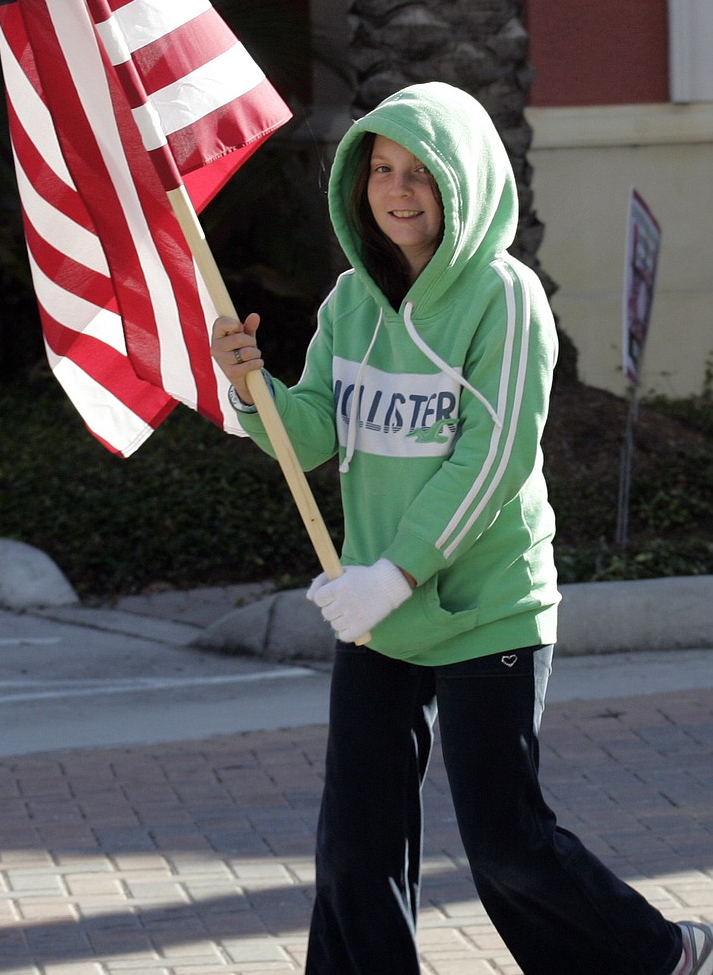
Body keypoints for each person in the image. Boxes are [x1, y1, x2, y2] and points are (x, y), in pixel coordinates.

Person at [211, 81, 712, 975]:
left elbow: (493, 458)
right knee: (357, 847)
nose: (398, 191)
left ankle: (658, 955)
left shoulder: (505, 297)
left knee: (506, 844)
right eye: (381, 169)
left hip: (487, 610)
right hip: (379, 618)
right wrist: (254, 391)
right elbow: (314, 433)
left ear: (464, 181)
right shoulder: (349, 302)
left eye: (422, 173)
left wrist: (393, 574)